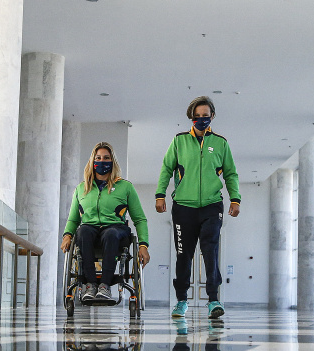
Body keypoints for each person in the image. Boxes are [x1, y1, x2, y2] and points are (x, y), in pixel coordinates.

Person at [156, 96, 240, 319]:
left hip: (212, 206)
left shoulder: (221, 143)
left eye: (205, 115)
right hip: (183, 207)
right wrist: (160, 194)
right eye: (197, 116)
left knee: (210, 251)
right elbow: (166, 169)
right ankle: (181, 300)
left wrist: (235, 199)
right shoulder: (179, 141)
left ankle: (213, 300)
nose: (201, 119)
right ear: (191, 117)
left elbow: (230, 174)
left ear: (212, 116)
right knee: (184, 254)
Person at [62, 142, 150, 304]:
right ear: (92, 161)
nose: (102, 161)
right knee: (83, 231)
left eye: (106, 158)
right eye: (98, 158)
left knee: (111, 233)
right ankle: (90, 285)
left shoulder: (125, 187)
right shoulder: (81, 189)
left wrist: (143, 245)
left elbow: (139, 219)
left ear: (112, 161)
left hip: (116, 230)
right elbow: (74, 219)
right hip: (90, 231)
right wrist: (67, 235)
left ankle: (105, 286)